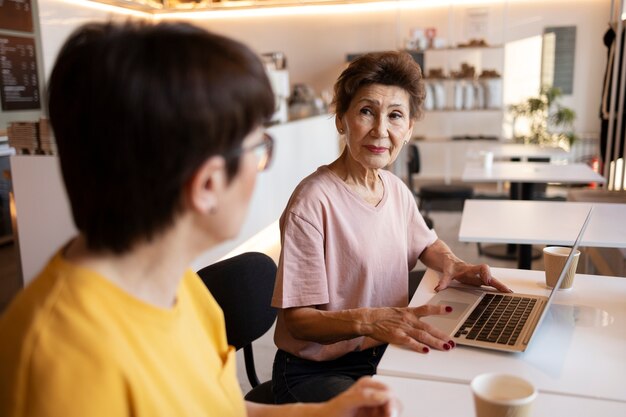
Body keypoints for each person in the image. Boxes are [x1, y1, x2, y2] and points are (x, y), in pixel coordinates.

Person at [0, 21, 398, 417]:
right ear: (207, 184)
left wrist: (324, 413)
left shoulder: (176, 285)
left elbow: (220, 409)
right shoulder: (63, 366)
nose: (260, 168)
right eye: (258, 149)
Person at [271, 51, 512, 404]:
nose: (380, 130)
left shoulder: (394, 189)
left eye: (395, 116)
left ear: (409, 129)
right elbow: (299, 322)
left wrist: (453, 264)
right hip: (315, 371)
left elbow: (425, 244)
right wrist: (371, 320)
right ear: (341, 119)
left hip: (383, 352)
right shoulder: (311, 203)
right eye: (366, 111)